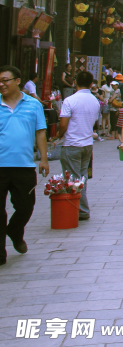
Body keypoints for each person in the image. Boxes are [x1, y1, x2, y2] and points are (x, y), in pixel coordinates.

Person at [0, 65, 48, 265]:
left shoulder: (33, 104)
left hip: (25, 166)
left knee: (26, 206)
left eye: (5, 80)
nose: (2, 84)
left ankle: (15, 231)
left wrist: (43, 158)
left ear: (17, 81)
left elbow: (40, 132)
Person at [57, 71, 100, 221]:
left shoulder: (69, 100)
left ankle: (80, 210)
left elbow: (63, 124)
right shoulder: (95, 101)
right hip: (87, 144)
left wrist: (58, 134)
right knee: (82, 178)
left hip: (72, 144)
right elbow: (95, 121)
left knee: (72, 178)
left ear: (75, 82)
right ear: (91, 84)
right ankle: (81, 208)